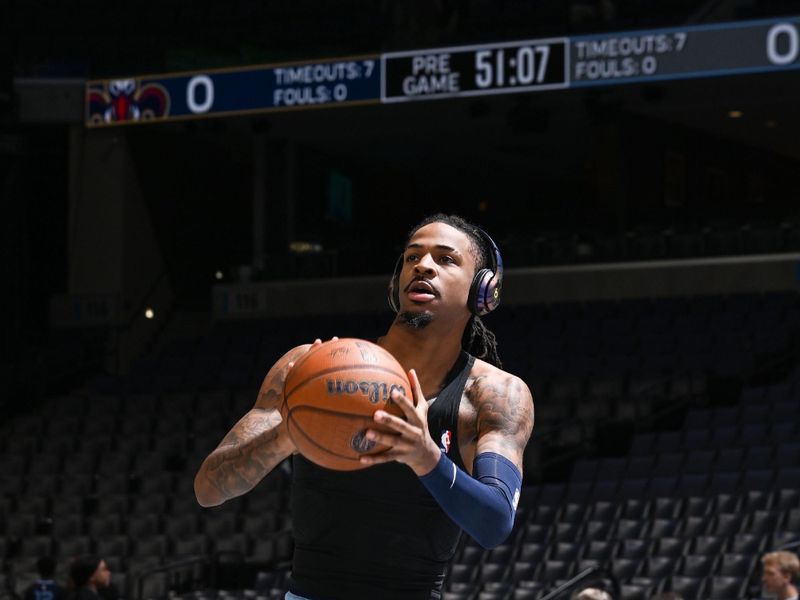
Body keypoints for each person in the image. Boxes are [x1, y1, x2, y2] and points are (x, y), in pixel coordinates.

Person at [194, 214, 535, 599]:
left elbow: (494, 524)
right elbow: (208, 489)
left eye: (445, 259)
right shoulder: (309, 370)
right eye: (411, 257)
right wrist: (286, 433)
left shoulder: (493, 395)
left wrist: (427, 458)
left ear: (482, 291)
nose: (422, 266)